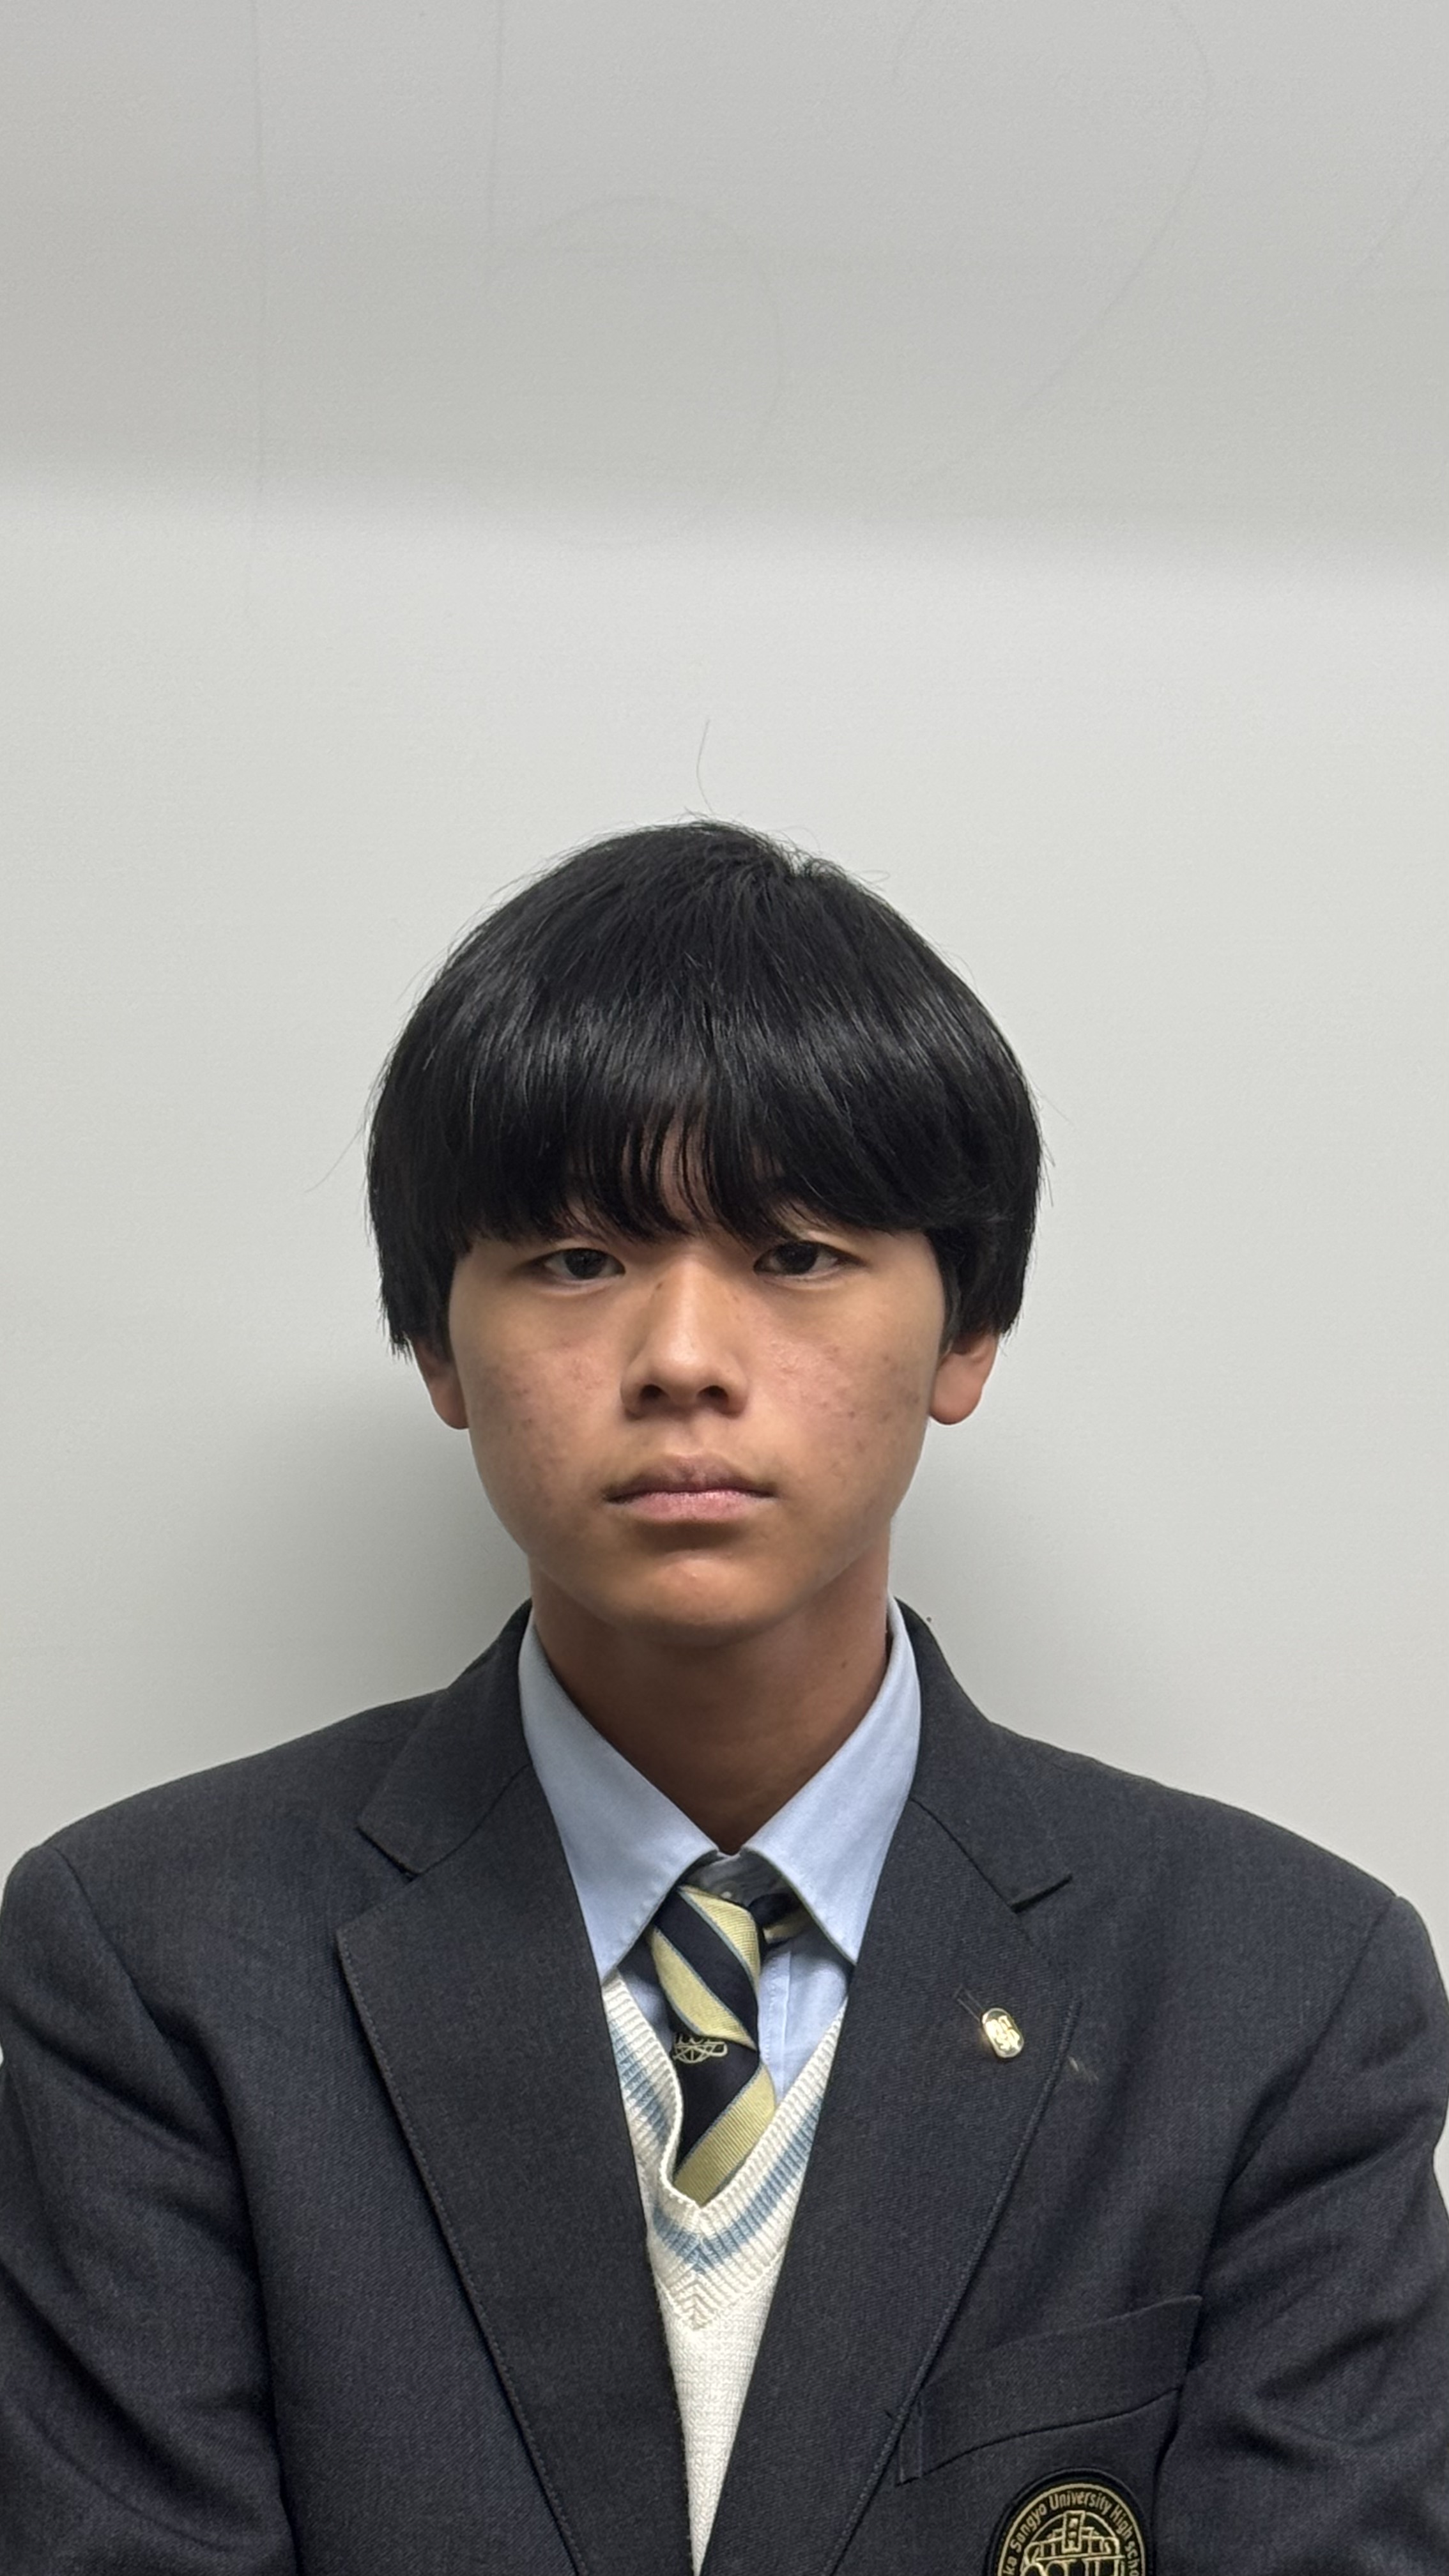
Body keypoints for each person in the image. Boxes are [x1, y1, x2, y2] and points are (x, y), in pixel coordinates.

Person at [0, 820, 1445, 2576]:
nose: (681, 1359)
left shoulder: (1281, 1992)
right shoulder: (157, 1959)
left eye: (797, 1253)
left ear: (966, 1330)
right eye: (576, 1259)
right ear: (438, 1344)